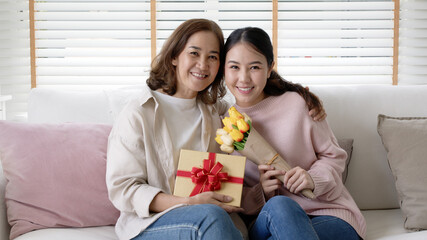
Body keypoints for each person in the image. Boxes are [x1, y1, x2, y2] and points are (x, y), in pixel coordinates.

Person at [106, 18, 326, 240]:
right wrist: (188, 203)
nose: (203, 64)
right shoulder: (138, 113)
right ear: (174, 56)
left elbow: (257, 95)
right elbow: (123, 189)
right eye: (194, 53)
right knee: (212, 216)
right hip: (154, 223)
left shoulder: (217, 112)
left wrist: (304, 97)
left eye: (212, 57)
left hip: (216, 224)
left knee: (274, 207)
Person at [223, 27, 366, 240]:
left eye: (254, 67)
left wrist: (312, 178)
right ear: (223, 69)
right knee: (281, 205)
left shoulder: (298, 103)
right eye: (234, 67)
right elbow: (229, 193)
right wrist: (261, 190)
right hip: (269, 219)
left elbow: (333, 157)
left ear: (270, 67)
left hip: (326, 214)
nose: (243, 78)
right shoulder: (224, 124)